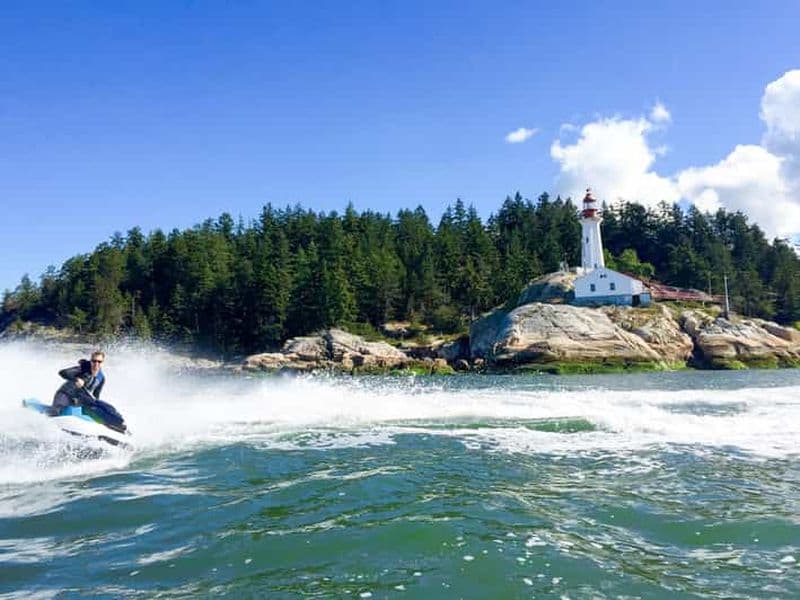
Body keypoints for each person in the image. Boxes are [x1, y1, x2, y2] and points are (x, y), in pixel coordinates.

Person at [50, 350, 106, 416]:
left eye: (99, 362)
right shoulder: (82, 368)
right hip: (65, 395)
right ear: (91, 361)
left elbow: (96, 396)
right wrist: (77, 379)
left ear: (103, 362)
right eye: (94, 361)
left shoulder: (101, 378)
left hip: (78, 400)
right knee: (56, 412)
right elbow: (62, 372)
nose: (96, 364)